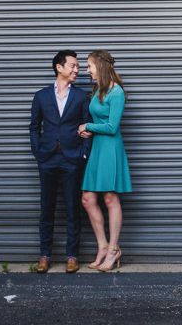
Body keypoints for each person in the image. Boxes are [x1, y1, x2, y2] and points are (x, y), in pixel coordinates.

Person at [29, 50, 92, 274]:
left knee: (73, 209)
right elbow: (34, 128)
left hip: (72, 159)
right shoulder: (41, 96)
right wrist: (38, 151)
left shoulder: (82, 96)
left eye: (77, 66)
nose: (77, 70)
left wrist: (83, 153)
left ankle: (72, 255)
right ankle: (45, 255)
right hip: (47, 158)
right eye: (73, 66)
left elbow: (88, 125)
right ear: (59, 67)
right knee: (47, 208)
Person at [79, 50, 132, 271]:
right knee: (88, 200)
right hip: (98, 149)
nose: (87, 70)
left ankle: (113, 249)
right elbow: (100, 122)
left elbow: (112, 127)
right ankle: (102, 246)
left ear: (100, 65)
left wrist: (87, 127)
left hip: (110, 149)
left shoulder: (116, 92)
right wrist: (89, 131)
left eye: (89, 65)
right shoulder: (99, 90)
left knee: (110, 199)